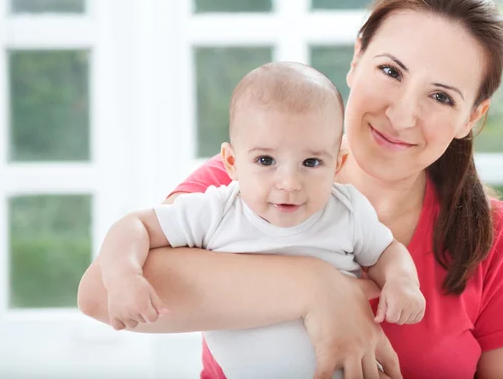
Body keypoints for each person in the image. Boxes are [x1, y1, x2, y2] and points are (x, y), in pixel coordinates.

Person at [78, 0, 503, 378]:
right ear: (356, 60)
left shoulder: (490, 237)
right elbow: (101, 293)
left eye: (441, 97)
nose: (402, 115)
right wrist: (319, 289)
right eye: (391, 71)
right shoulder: (247, 184)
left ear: (471, 118)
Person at [95, 61, 425, 378]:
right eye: (266, 160)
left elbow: (387, 252)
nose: (289, 182)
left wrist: (402, 281)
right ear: (231, 162)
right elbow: (133, 226)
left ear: (337, 164)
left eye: (311, 162)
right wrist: (123, 275)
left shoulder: (347, 210)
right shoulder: (217, 211)